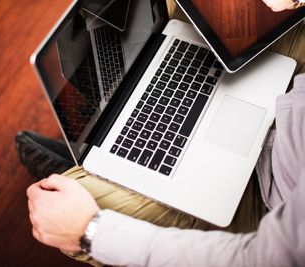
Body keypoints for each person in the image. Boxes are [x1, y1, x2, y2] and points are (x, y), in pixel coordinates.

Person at [19, 1, 305, 266]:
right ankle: (98, 134)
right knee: (181, 15)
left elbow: (260, 259)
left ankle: (81, 160)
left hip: (267, 207)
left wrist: (89, 231)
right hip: (291, 124)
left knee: (68, 199)